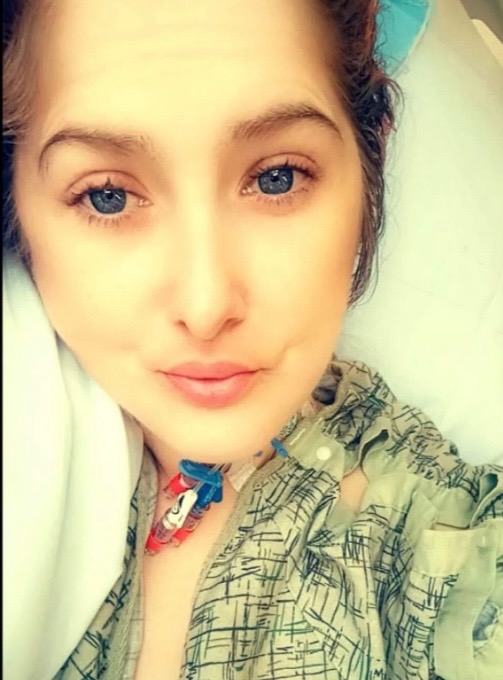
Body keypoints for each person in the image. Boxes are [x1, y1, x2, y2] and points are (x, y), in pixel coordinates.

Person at [3, 0, 502, 678]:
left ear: (371, 159)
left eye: (276, 178)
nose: (206, 306)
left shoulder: (440, 536)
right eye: (108, 196)